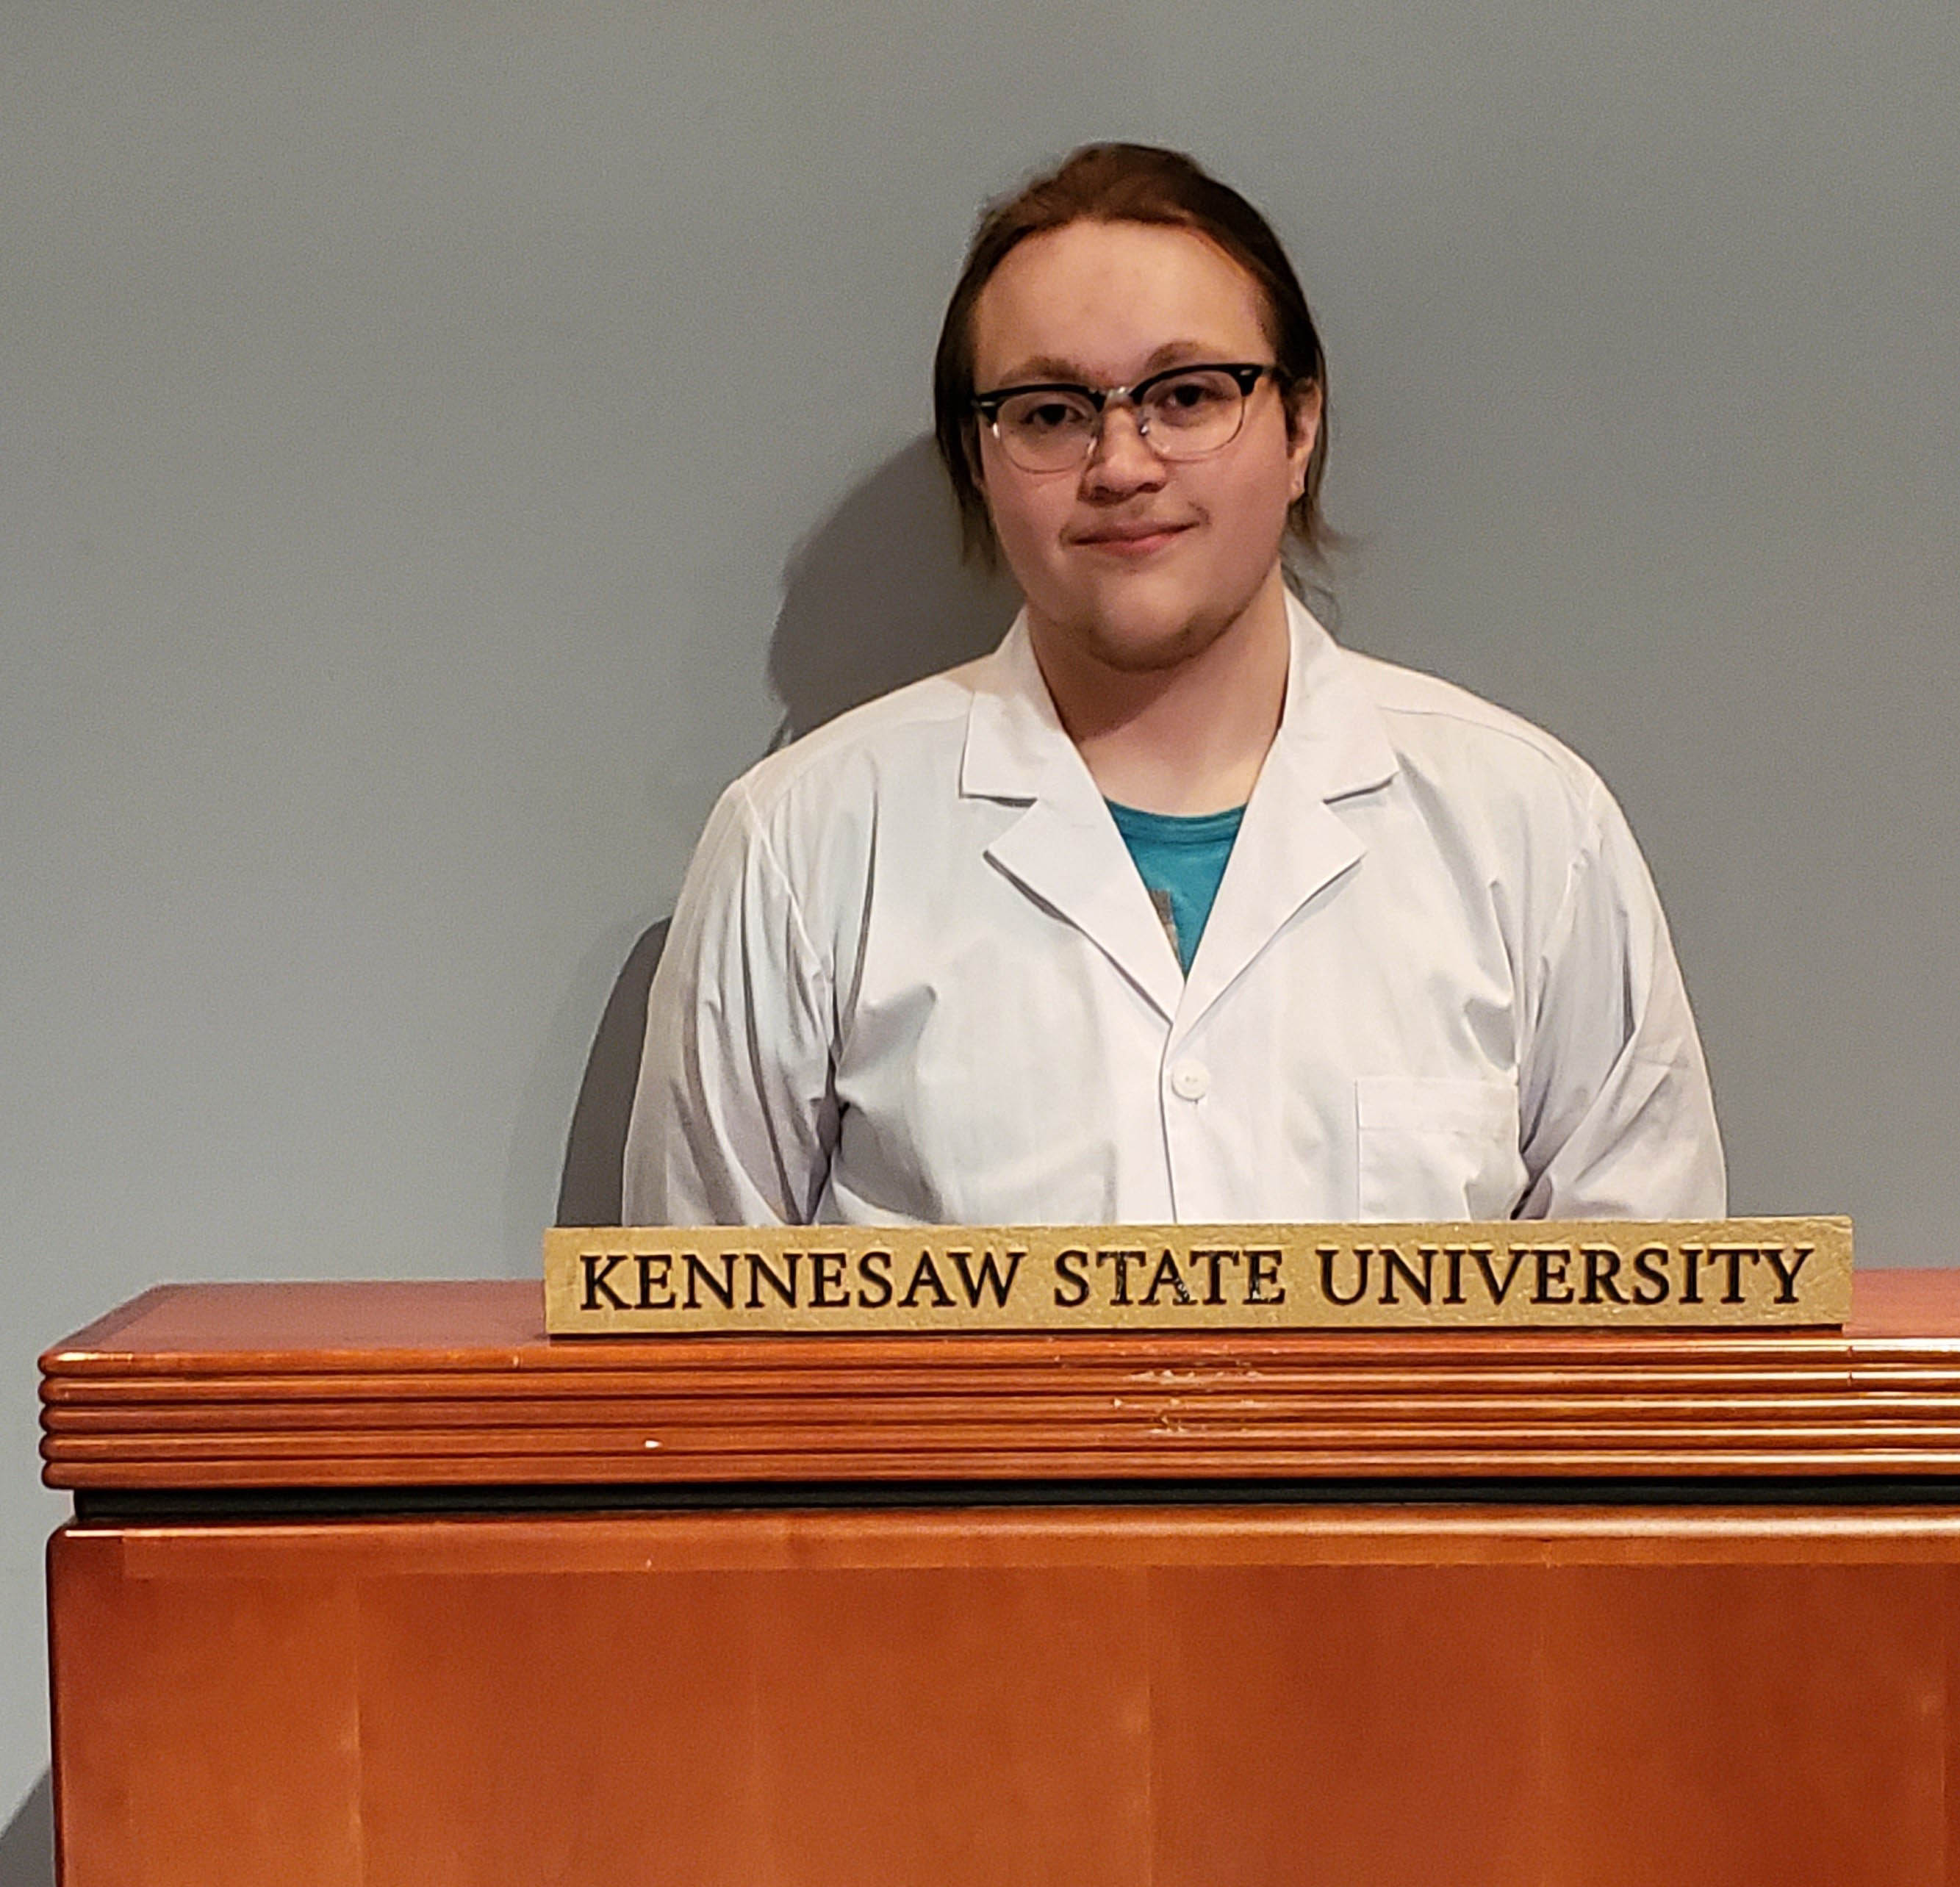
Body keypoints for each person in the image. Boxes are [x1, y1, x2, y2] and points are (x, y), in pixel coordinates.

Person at [624, 144, 1725, 1227]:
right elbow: (690, 1363)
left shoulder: (1532, 834)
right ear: (976, 461)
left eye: (1188, 395)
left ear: (1300, 427)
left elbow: (1646, 1358)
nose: (1122, 463)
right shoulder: (802, 849)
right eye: (1051, 412)